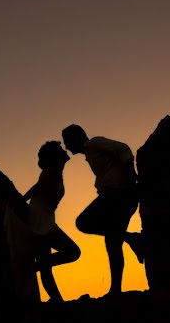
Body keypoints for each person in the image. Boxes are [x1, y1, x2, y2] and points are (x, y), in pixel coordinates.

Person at [61, 124, 145, 297]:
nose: (66, 147)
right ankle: (115, 290)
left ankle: (132, 239)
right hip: (116, 195)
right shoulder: (91, 152)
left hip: (117, 194)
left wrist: (130, 178)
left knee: (83, 222)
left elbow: (124, 149)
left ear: (75, 138)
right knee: (113, 244)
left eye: (67, 141)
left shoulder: (94, 143)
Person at [5, 141, 81, 302]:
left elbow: (39, 186)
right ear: (55, 156)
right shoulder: (52, 170)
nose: (65, 151)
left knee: (46, 269)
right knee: (73, 252)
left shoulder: (54, 171)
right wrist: (22, 199)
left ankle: (58, 301)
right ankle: (35, 270)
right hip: (41, 221)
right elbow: (39, 186)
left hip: (41, 220)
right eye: (61, 150)